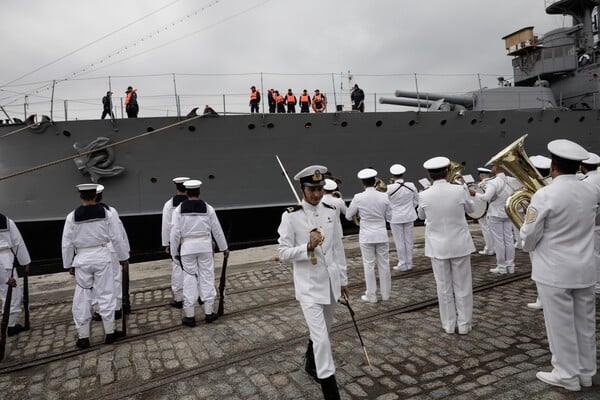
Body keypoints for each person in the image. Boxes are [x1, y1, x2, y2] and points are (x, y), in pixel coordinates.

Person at [520, 139, 599, 392]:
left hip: (553, 271)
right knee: (585, 323)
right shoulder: (591, 191)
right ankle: (587, 373)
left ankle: (566, 375)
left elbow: (530, 235)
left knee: (560, 326)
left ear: (553, 167)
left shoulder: (544, 194)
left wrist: (526, 242)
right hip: (585, 268)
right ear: (579, 166)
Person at [277, 165, 348, 400]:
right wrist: (307, 246)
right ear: (302, 188)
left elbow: (337, 247)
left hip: (330, 284)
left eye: (319, 189)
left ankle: (310, 363)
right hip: (308, 287)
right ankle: (331, 391)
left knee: (324, 331)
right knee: (322, 341)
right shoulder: (291, 216)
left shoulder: (331, 210)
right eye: (312, 189)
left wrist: (343, 280)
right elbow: (283, 253)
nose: (317, 194)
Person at [62, 183, 129, 348]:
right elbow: (116, 237)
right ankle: (110, 333)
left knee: (82, 297)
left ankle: (84, 336)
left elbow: (67, 243)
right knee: (106, 293)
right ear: (96, 196)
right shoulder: (106, 214)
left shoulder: (72, 216)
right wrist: (123, 257)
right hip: (102, 256)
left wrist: (68, 263)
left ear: (81, 197)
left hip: (82, 258)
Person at [418, 157, 475, 334]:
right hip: (460, 244)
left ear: (429, 175)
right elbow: (471, 210)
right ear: (447, 171)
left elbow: (420, 216)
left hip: (437, 247)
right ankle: (465, 325)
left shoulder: (423, 194)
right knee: (463, 286)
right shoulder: (459, 190)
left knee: (443, 288)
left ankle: (449, 325)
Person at [170, 179, 228, 326]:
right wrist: (224, 248)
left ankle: (190, 316)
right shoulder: (208, 208)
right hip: (205, 247)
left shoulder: (178, 210)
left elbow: (175, 233)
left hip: (187, 248)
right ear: (199, 192)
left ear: (187, 193)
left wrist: (173, 252)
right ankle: (209, 312)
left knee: (189, 279)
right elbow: (217, 230)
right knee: (207, 276)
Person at [346, 168, 391, 303]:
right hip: (381, 234)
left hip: (366, 235)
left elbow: (348, 216)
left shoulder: (358, 197)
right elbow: (390, 216)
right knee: (384, 264)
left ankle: (371, 295)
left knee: (368, 265)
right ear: (375, 181)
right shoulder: (384, 196)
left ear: (363, 183)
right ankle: (386, 295)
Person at [470, 163, 519, 274]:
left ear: (496, 168)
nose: (492, 167)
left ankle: (501, 267)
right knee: (509, 240)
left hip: (495, 214)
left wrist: (475, 194)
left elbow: (486, 198)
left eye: (494, 165)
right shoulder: (511, 180)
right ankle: (510, 266)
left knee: (499, 241)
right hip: (508, 213)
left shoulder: (493, 182)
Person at [92, 185, 131, 321]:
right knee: (115, 278)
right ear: (101, 196)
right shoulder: (111, 211)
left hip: (93, 250)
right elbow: (118, 233)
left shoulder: (76, 214)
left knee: (96, 281)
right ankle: (117, 307)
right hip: (111, 248)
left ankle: (98, 309)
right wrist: (124, 253)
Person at [524, 155, 552, 310]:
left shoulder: (541, 192)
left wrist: (526, 244)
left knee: (539, 268)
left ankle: (542, 298)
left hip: (540, 239)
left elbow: (531, 228)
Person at [0, 213, 31, 337]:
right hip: (4, 261)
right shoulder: (6, 222)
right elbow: (18, 243)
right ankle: (10, 326)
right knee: (12, 296)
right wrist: (25, 262)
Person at [161, 177, 190, 309]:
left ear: (176, 188)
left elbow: (166, 225)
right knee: (196, 269)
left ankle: (178, 298)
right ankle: (200, 296)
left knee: (177, 269)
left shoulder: (169, 204)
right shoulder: (193, 202)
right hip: (191, 239)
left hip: (177, 241)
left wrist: (166, 244)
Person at [387, 164, 418, 271]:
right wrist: (409, 208)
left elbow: (387, 203)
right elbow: (416, 200)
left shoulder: (389, 188)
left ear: (392, 175)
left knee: (399, 241)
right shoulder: (411, 185)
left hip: (395, 217)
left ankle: (402, 264)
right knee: (409, 240)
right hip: (409, 216)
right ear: (403, 174)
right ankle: (409, 263)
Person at [580, 151, 600, 294]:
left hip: (593, 222)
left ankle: (597, 284)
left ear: (583, 167)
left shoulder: (585, 183)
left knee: (594, 254)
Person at [475, 167, 495, 256]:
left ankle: (489, 248)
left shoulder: (481, 184)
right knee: (492, 230)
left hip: (483, 210)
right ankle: (493, 248)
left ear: (482, 175)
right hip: (492, 210)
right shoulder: (493, 182)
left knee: (486, 229)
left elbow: (480, 198)